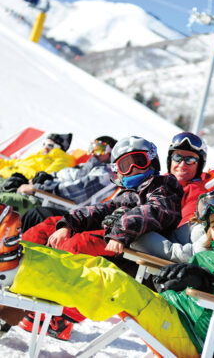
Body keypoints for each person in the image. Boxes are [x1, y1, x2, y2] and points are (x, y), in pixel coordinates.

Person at [0, 185, 214, 357]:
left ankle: (16, 270)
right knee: (98, 266)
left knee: (112, 283)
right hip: (176, 313)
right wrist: (185, 277)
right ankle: (17, 257)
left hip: (196, 337)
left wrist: (207, 284)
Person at [18, 135, 183, 339]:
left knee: (78, 246)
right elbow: (100, 209)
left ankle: (60, 314)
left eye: (138, 162)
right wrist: (68, 223)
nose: (133, 170)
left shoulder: (164, 187)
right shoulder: (129, 193)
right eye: (125, 165)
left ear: (152, 161)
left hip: (135, 248)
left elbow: (155, 211)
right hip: (116, 238)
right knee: (51, 225)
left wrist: (121, 230)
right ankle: (15, 261)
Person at [131, 131, 211, 261]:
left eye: (190, 160)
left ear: (200, 164)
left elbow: (180, 231)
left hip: (164, 252)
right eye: (177, 157)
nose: (182, 165)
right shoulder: (152, 182)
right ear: (170, 160)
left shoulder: (200, 194)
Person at [18, 136, 117, 233]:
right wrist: (44, 179)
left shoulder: (105, 173)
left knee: (35, 214)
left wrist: (38, 188)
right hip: (53, 199)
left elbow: (78, 190)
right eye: (93, 147)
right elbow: (65, 174)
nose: (94, 153)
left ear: (111, 153)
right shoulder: (87, 166)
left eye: (100, 149)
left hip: (71, 211)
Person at [0, 133, 75, 215]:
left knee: (2, 200)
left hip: (21, 187)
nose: (45, 147)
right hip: (5, 178)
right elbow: (13, 163)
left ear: (59, 148)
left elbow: (46, 176)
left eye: (50, 145)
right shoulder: (36, 155)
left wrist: (16, 174)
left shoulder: (63, 159)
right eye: (44, 143)